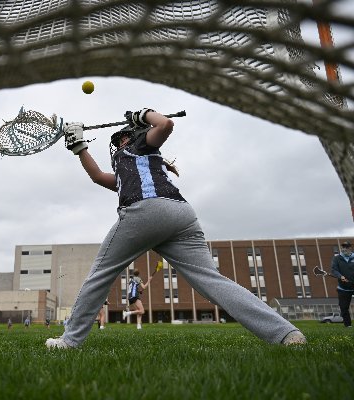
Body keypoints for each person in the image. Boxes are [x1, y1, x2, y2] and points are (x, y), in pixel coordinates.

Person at [46, 108, 306, 349]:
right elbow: (97, 177)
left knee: (100, 274)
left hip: (146, 211)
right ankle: (285, 334)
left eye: (122, 138)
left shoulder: (140, 145)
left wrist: (143, 112)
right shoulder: (130, 166)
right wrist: (80, 147)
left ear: (134, 135)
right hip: (181, 216)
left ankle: (70, 341)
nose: (118, 144)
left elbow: (166, 123)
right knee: (212, 282)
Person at [331, 241, 354, 328]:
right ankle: (348, 325)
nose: (344, 249)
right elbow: (334, 270)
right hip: (343, 288)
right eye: (343, 247)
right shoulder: (337, 258)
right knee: (343, 307)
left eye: (346, 247)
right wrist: (340, 276)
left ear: (350, 248)